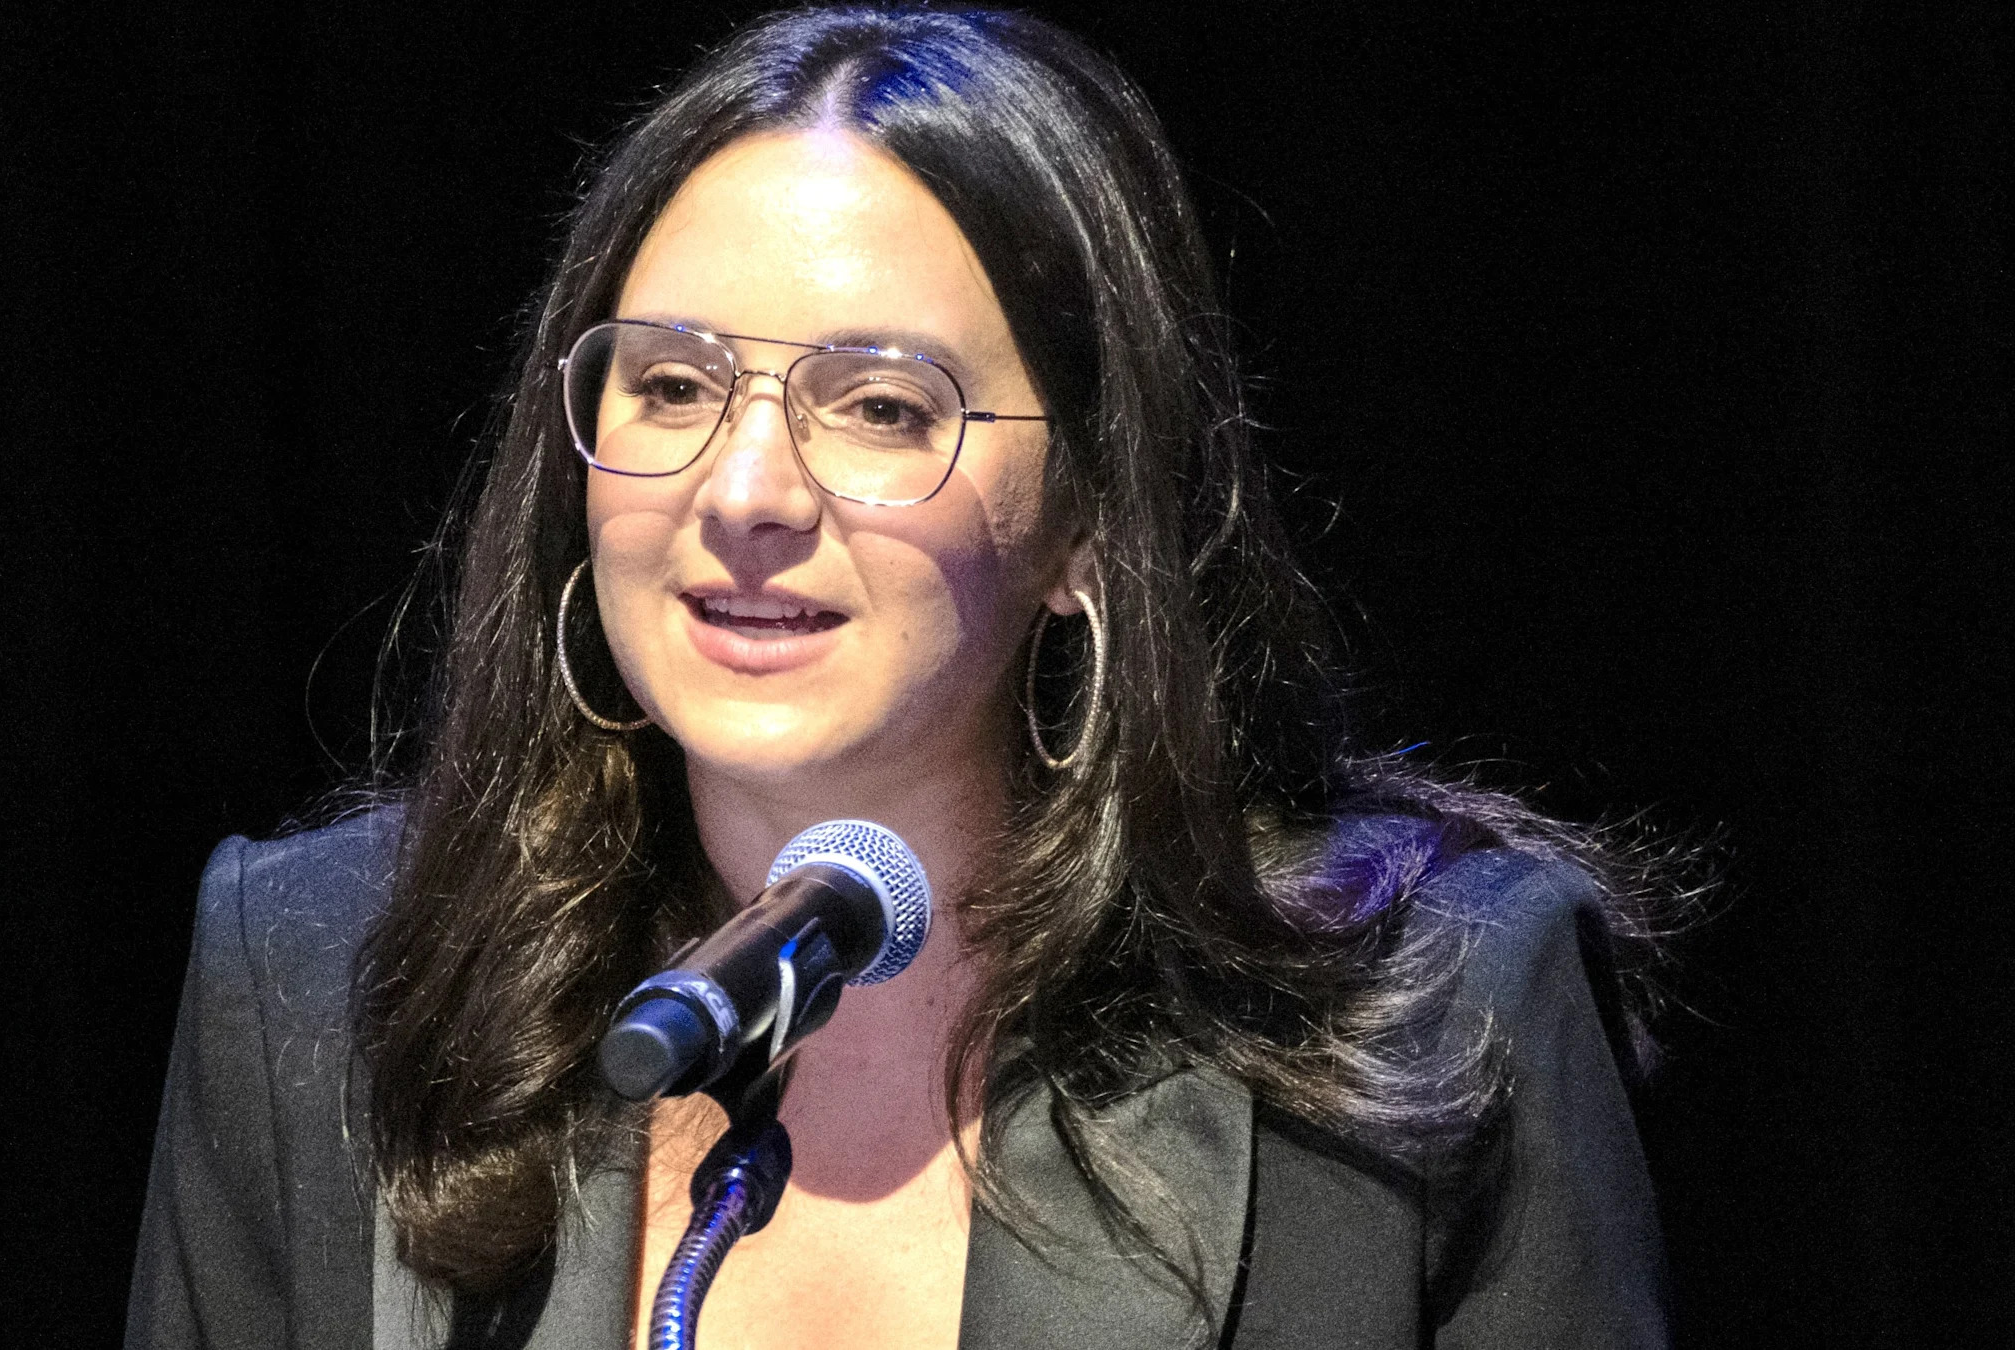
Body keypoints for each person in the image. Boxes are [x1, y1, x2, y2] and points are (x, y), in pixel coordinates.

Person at [126, 7, 1679, 1348]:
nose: (744, 491)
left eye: (879, 406)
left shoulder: (1438, 1016)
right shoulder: (320, 982)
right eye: (671, 384)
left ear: (1086, 517)